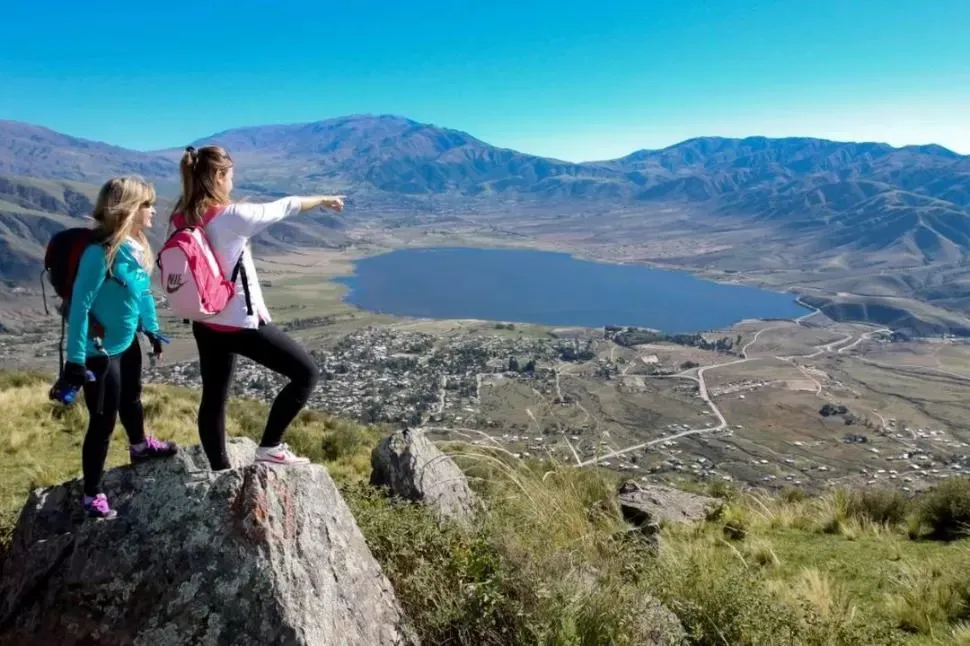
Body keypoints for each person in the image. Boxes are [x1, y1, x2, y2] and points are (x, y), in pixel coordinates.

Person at [171, 145, 343, 470]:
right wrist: (322, 200)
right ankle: (270, 446)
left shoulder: (180, 217)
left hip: (205, 322)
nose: (232, 183)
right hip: (240, 323)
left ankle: (220, 469)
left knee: (214, 397)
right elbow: (286, 206)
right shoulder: (234, 217)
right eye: (230, 176)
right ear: (219, 176)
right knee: (306, 374)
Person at [62, 176, 178, 520]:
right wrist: (75, 360)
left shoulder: (135, 246)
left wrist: (152, 330)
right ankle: (92, 494)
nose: (153, 210)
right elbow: (80, 308)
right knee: (103, 422)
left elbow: (142, 293)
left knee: (132, 399)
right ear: (127, 209)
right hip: (99, 352)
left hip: (127, 343)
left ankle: (140, 446)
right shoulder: (99, 254)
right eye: (146, 204)